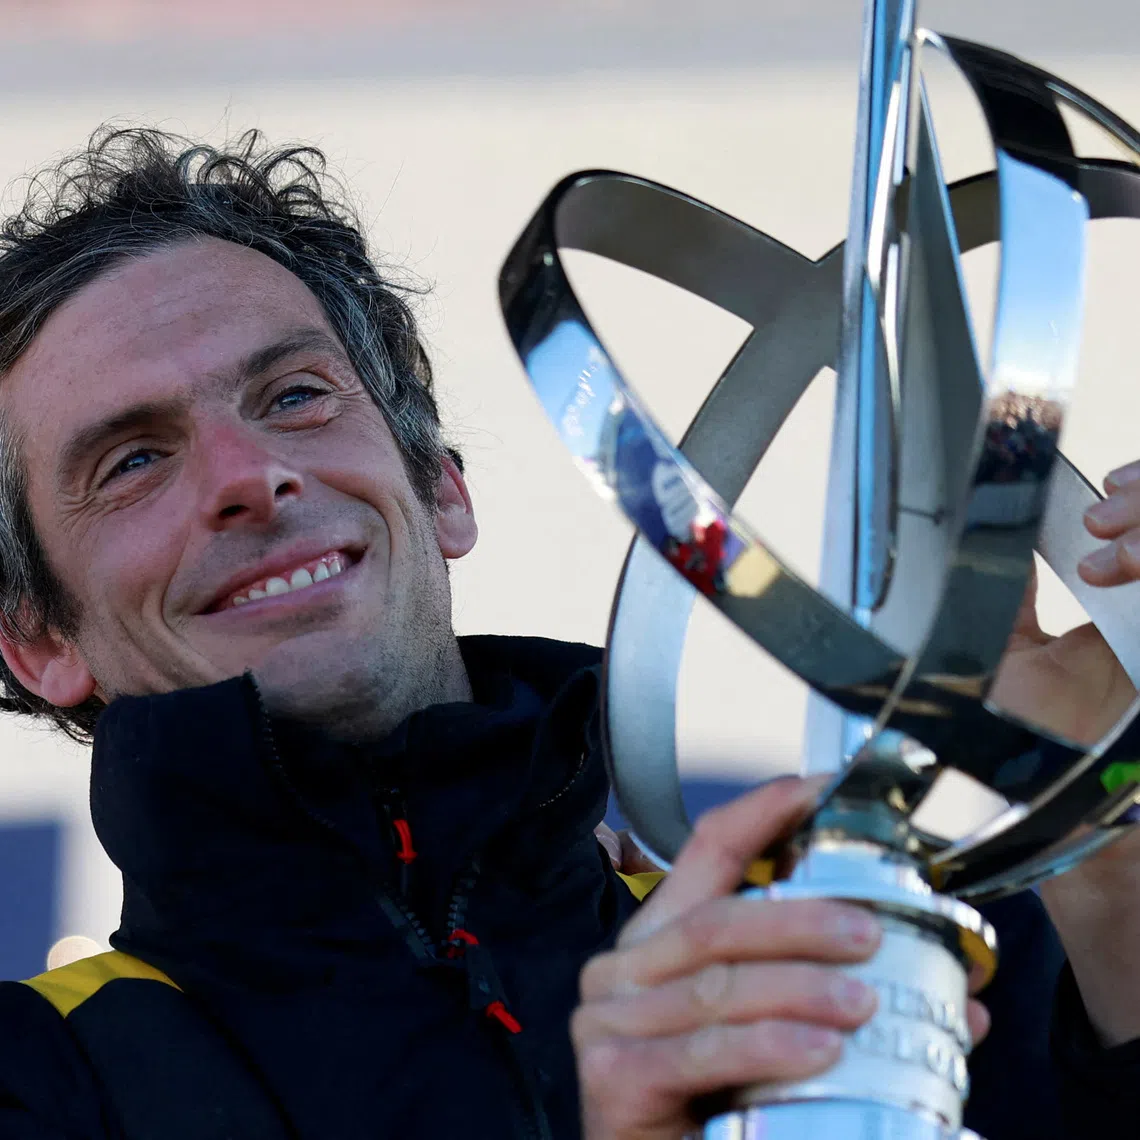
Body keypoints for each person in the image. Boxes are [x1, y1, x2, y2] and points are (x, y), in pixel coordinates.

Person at [0, 125, 1131, 1140]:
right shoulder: (46, 1081)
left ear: (441, 490)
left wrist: (1110, 841)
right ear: (39, 640)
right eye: (133, 460)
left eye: (295, 395)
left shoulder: (891, 968)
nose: (253, 476)